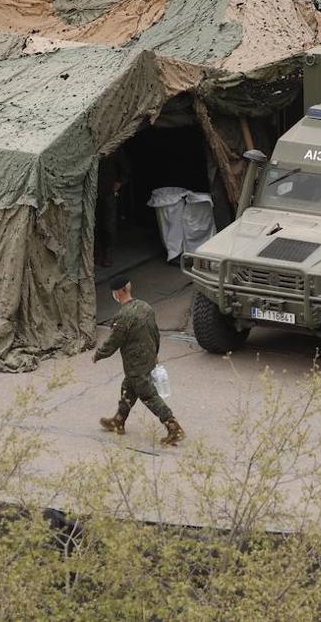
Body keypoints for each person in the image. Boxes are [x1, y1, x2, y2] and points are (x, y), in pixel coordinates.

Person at [94, 274, 185, 446]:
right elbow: (155, 333)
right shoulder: (146, 307)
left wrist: (99, 354)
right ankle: (118, 420)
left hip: (135, 363)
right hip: (148, 357)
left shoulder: (123, 316)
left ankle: (173, 427)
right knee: (128, 388)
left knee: (148, 395)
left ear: (119, 292)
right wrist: (155, 353)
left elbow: (114, 341)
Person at [95, 151, 130, 267]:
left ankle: (107, 253)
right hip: (92, 191)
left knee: (108, 224)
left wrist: (119, 182)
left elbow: (125, 169)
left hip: (108, 191)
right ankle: (97, 252)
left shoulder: (114, 148)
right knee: (94, 224)